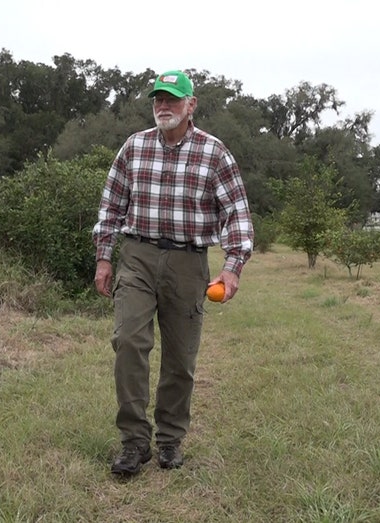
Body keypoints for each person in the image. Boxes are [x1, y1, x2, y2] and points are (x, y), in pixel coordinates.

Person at [92, 69, 254, 476]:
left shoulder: (214, 153)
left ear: (191, 105)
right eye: (157, 99)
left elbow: (237, 214)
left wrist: (232, 267)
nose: (163, 106)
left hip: (188, 262)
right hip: (139, 257)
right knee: (129, 341)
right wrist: (104, 257)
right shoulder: (134, 147)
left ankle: (169, 440)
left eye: (172, 99)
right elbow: (111, 205)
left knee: (180, 359)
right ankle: (133, 442)